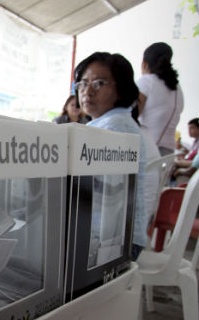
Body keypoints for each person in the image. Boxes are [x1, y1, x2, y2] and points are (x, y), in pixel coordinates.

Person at [74, 52, 148, 260]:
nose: (87, 92)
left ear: (120, 89)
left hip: (116, 242)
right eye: (82, 83)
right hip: (116, 236)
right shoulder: (108, 123)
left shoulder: (114, 126)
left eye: (99, 83)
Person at [136, 42, 184, 156]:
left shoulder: (147, 81)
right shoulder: (177, 88)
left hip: (147, 153)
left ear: (144, 64)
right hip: (168, 156)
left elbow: (131, 117)